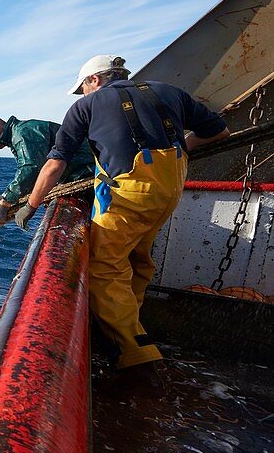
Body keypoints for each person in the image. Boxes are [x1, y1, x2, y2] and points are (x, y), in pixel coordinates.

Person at [15, 55, 230, 379]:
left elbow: (54, 164)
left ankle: (135, 352)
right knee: (139, 258)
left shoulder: (85, 107)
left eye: (82, 89)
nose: (83, 96)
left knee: (104, 267)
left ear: (95, 81)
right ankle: (133, 317)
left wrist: (30, 205)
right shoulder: (170, 92)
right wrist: (181, 149)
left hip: (129, 196)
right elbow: (220, 131)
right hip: (170, 191)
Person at [0, 114, 96, 225]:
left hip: (87, 174)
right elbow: (35, 172)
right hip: (80, 175)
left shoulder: (23, 133)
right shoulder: (20, 133)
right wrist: (5, 196)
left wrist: (6, 203)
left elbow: (31, 169)